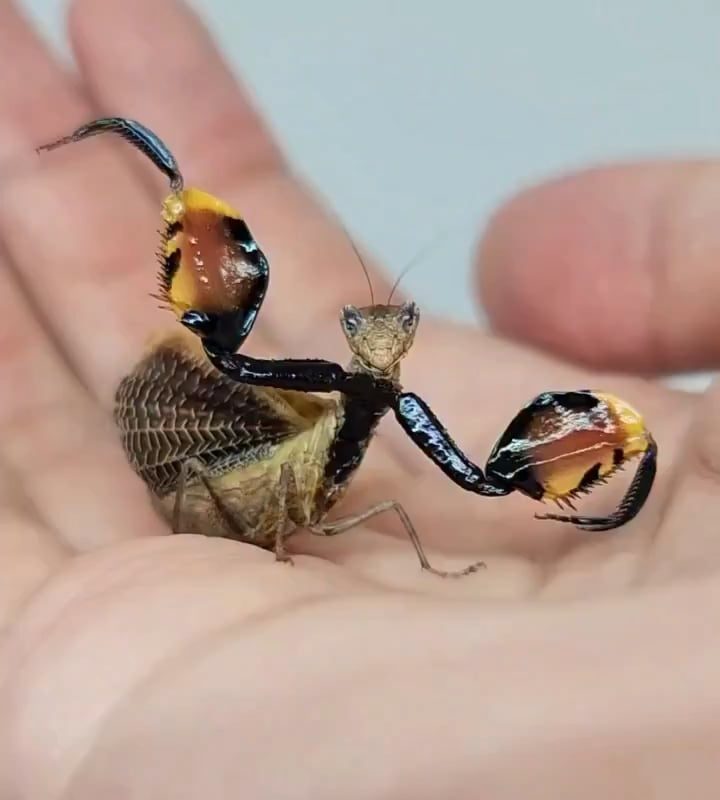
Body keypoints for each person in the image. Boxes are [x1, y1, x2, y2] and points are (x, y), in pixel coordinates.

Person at [0, 1, 718, 797]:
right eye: (365, 329)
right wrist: (176, 186)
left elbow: (478, 477)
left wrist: (627, 441)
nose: (379, 343)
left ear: (402, 338)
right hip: (223, 505)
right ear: (352, 331)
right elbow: (228, 364)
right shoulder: (338, 387)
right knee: (227, 369)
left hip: (275, 528)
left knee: (467, 477)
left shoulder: (390, 406)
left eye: (394, 330)